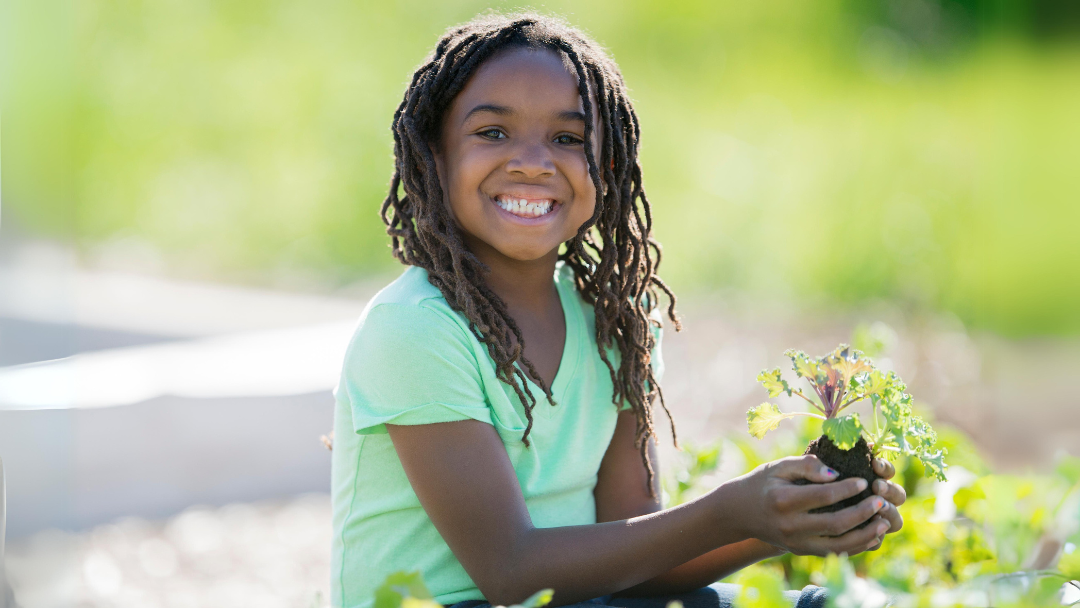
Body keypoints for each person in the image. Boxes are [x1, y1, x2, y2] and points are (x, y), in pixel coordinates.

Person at [330, 13, 907, 608]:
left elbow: (640, 564)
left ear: (608, 169)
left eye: (568, 139)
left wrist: (780, 522)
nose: (532, 162)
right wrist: (731, 511)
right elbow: (510, 573)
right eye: (493, 133)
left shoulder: (613, 324)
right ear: (434, 156)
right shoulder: (415, 328)